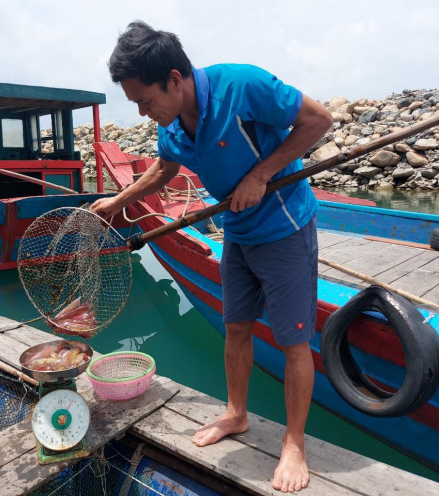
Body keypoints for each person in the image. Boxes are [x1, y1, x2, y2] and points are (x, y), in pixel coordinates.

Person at [92, 21, 332, 493]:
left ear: (175, 80)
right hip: (238, 231)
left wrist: (262, 174)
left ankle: (295, 442)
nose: (142, 113)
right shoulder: (171, 123)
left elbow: (318, 120)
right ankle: (236, 414)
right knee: (236, 327)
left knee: (293, 341)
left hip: (285, 227)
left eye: (145, 101)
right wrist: (119, 202)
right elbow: (164, 169)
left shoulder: (241, 85)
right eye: (134, 104)